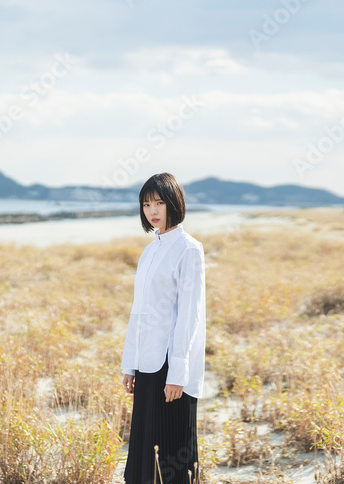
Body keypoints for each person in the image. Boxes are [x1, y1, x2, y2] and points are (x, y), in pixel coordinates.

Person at [121, 172, 206, 484]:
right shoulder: (149, 251)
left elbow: (189, 315)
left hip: (172, 365)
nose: (152, 210)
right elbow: (138, 313)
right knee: (145, 452)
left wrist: (178, 374)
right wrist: (129, 365)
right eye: (146, 204)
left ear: (173, 203)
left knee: (172, 453)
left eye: (158, 202)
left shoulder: (189, 249)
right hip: (146, 364)